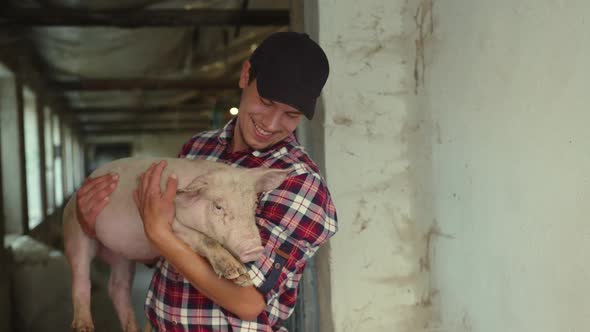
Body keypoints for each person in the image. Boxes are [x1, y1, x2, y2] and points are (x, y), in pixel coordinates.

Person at [76, 31, 338, 331]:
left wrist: (160, 232)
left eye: (290, 115)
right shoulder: (198, 150)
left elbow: (248, 302)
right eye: (265, 101)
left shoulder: (296, 182)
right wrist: (98, 221)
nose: (272, 122)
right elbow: (167, 253)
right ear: (245, 75)